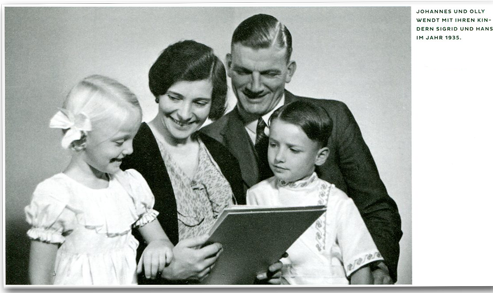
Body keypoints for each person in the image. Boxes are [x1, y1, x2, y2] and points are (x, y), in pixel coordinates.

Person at [201, 13, 403, 283]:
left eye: (270, 73)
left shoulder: (334, 117)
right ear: (228, 65)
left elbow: (377, 208)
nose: (255, 86)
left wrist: (378, 268)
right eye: (244, 71)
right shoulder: (206, 139)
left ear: (289, 71)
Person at [120, 40, 282, 284]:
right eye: (175, 97)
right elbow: (98, 246)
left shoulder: (223, 155)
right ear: (158, 92)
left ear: (213, 103)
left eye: (199, 103)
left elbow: (240, 235)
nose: (185, 114)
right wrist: (165, 270)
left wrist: (260, 264)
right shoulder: (128, 152)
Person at [24, 75, 174, 285]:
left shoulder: (128, 185)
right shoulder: (57, 196)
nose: (129, 150)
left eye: (132, 139)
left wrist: (159, 245)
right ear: (82, 138)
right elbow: (40, 280)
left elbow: (160, 239)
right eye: (120, 141)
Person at [247, 100, 384, 285]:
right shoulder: (257, 196)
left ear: (320, 156)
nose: (279, 157)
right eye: (273, 144)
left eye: (293, 149)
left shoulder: (337, 202)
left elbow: (360, 269)